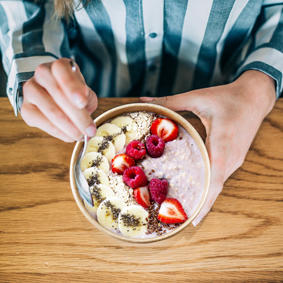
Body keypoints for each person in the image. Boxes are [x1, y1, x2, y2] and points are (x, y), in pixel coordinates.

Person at [0, 0, 282, 226]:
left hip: (224, 97)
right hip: (92, 95)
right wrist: (37, 71)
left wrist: (259, 87)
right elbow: (28, 9)